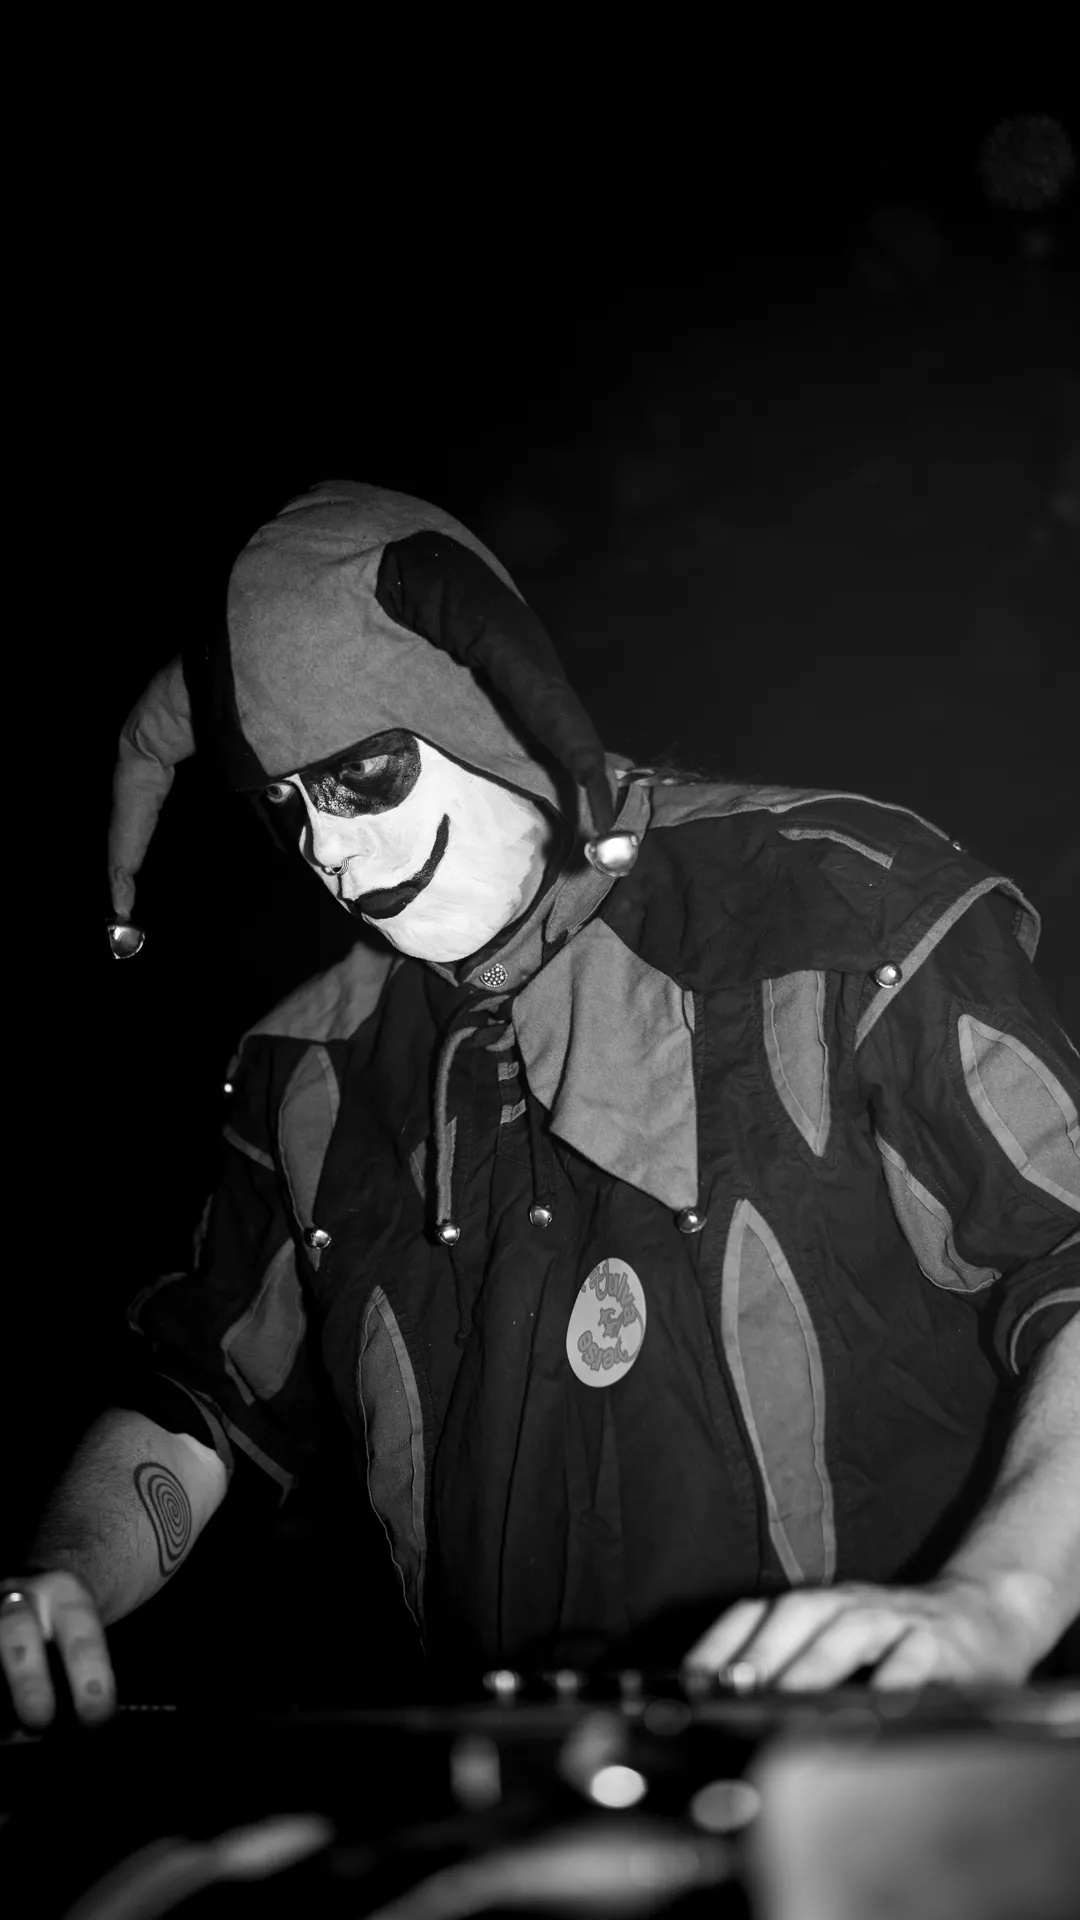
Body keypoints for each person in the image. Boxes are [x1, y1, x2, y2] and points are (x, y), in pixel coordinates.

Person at [3, 480, 1078, 1729]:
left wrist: (990, 1604)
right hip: (516, 1801)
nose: (329, 855)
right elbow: (203, 1395)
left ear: (488, 703)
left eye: (361, 776)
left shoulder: (840, 910)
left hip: (888, 1782)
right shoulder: (311, 1068)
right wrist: (61, 1577)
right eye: (285, 809)